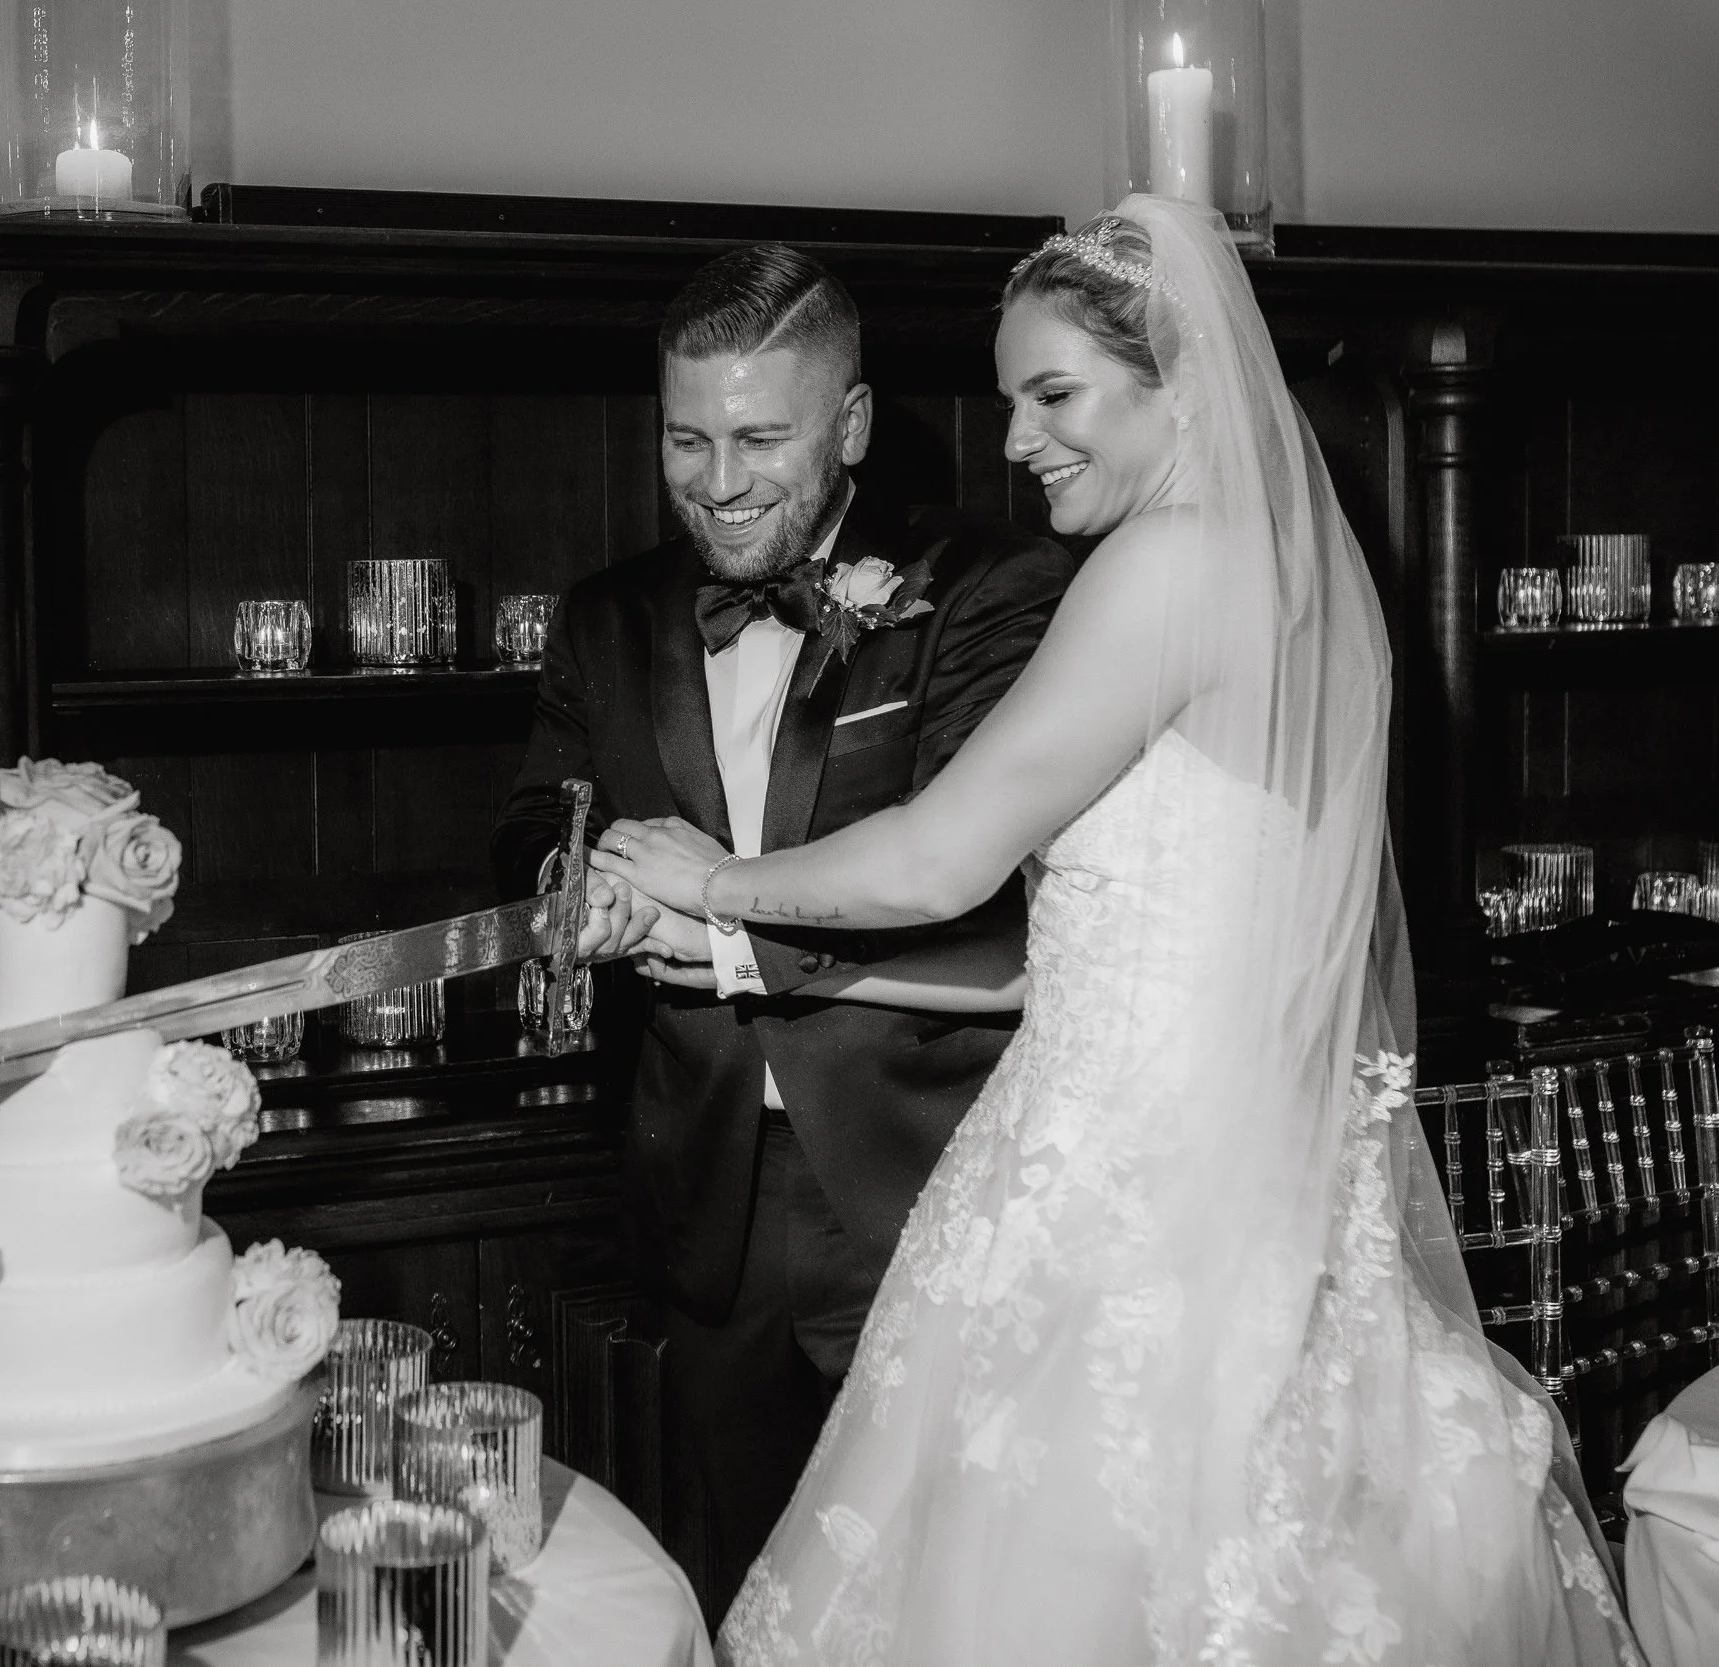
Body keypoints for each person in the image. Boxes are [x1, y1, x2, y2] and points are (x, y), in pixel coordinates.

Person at [592, 198, 1641, 1664]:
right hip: (1246, 1168)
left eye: (1057, 395)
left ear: (1188, 386)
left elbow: (943, 852)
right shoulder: (1297, 586)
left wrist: (709, 879)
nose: (1019, 439)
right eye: (1017, 398)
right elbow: (1096, 928)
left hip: (1130, 1190)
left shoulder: (1165, 569)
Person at [491, 242, 1073, 1619]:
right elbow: (530, 816)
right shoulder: (608, 616)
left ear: (852, 425)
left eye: (761, 436)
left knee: (942, 1585)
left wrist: (722, 909)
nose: (719, 478)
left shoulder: (990, 588)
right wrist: (583, 885)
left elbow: (988, 890)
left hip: (924, 1171)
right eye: (686, 438)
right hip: (704, 1190)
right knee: (738, 1580)